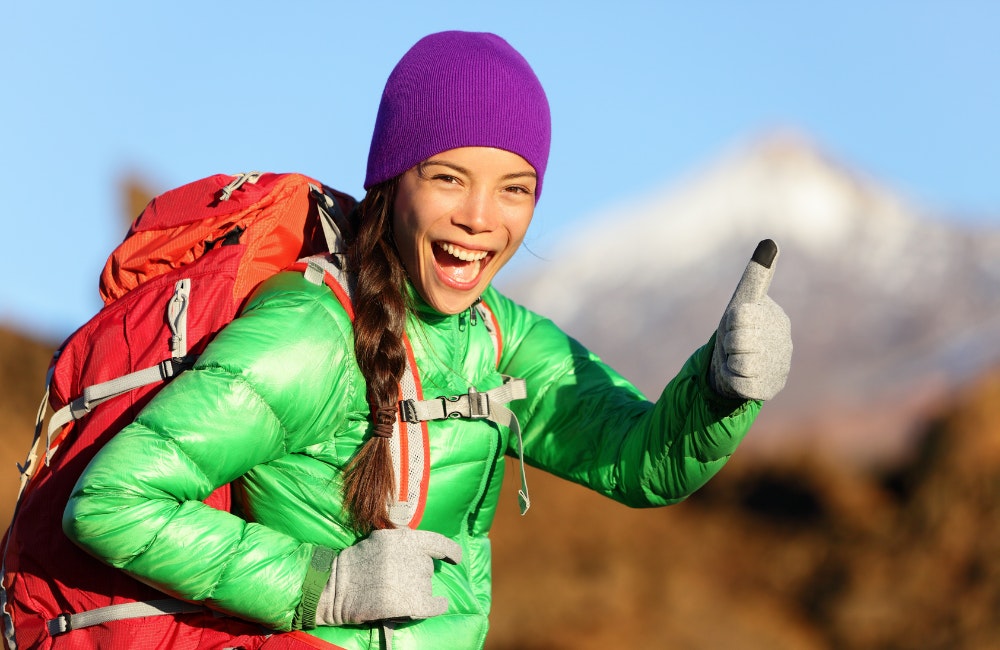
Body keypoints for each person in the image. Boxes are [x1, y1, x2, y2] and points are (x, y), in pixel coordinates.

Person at [63, 30, 792, 650]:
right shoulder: (309, 335)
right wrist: (325, 584)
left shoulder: (499, 338)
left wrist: (723, 388)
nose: (482, 217)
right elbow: (112, 500)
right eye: (449, 177)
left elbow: (639, 461)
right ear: (391, 181)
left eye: (515, 188)